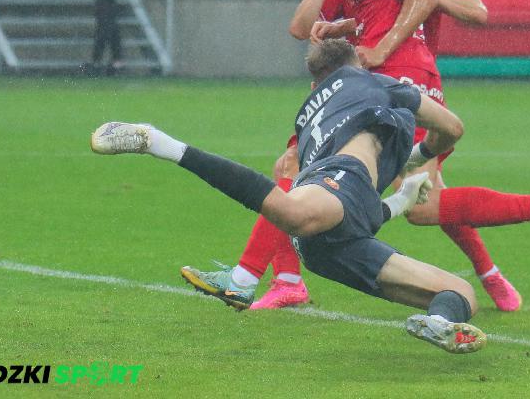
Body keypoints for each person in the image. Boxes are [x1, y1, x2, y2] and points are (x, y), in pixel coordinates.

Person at [181, 0, 530, 312]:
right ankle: (513, 244)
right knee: (414, 199)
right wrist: (343, 16)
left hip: (399, 76)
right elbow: (308, 26)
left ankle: (257, 278)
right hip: (384, 77)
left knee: (308, 168)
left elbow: (468, 9)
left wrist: (398, 20)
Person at [91, 39, 490, 354]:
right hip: (338, 186)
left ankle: (438, 324)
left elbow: (354, 212)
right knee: (295, 214)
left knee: (460, 294)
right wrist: (419, 156)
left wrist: (401, 199)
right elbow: (452, 128)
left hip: (330, 237)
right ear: (357, 64)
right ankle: (156, 141)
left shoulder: (308, 114)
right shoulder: (375, 83)